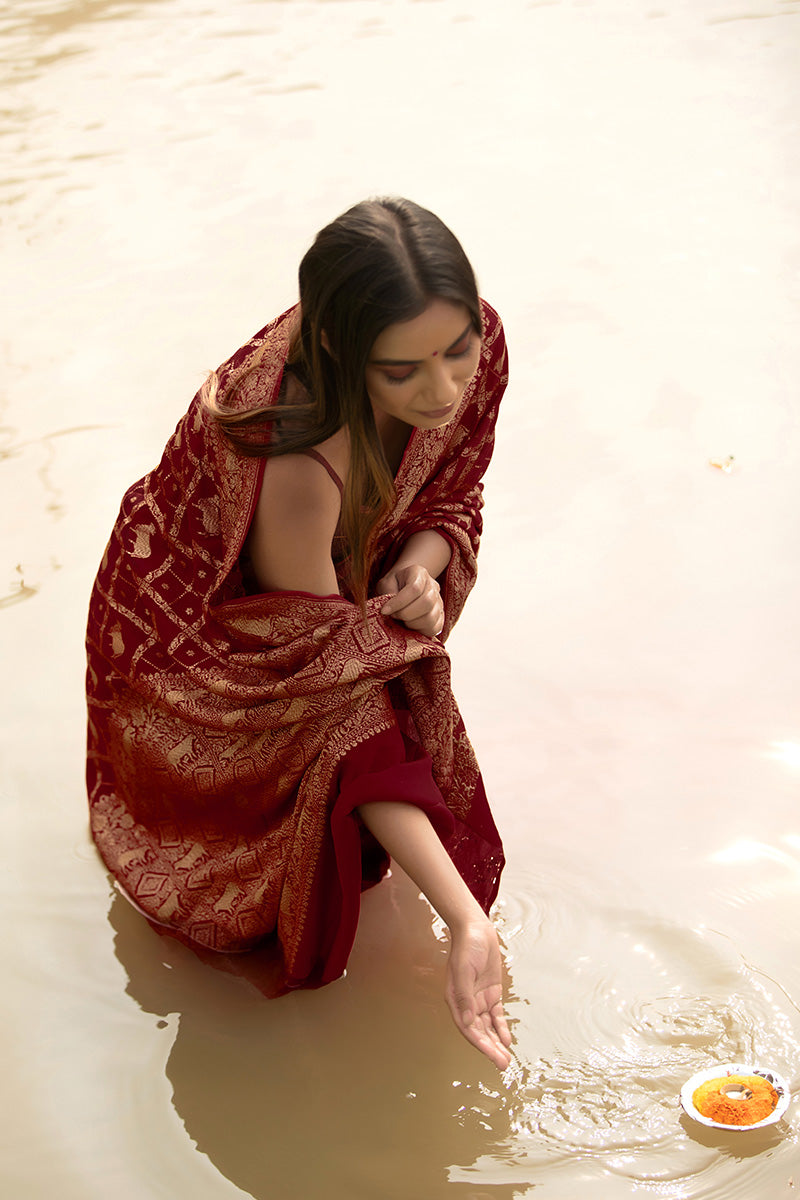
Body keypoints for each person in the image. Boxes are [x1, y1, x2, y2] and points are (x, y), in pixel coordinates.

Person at [86, 197, 512, 1069]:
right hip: (197, 652)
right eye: (403, 372)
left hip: (323, 591)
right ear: (339, 354)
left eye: (457, 351)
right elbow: (332, 700)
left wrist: (421, 569)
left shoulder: (474, 344)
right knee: (250, 885)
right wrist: (464, 918)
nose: (442, 390)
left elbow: (449, 494)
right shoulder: (293, 459)